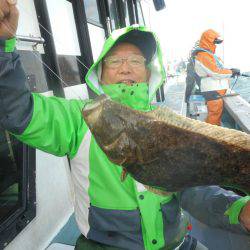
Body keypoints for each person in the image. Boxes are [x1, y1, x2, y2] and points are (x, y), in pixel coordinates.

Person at [0, 1, 249, 250]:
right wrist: (2, 45)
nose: (126, 68)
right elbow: (17, 110)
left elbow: (191, 189)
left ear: (150, 72)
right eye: (115, 61)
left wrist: (237, 209)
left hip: (175, 244)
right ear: (100, 72)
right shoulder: (82, 115)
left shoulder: (167, 122)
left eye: (135, 61)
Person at [193, 29, 241, 126]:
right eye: (214, 41)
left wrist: (230, 70)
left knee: (216, 115)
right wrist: (231, 72)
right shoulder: (203, 55)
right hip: (213, 91)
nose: (215, 44)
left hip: (216, 91)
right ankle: (211, 138)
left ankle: (213, 133)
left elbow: (217, 69)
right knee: (214, 116)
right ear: (207, 41)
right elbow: (215, 72)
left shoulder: (208, 55)